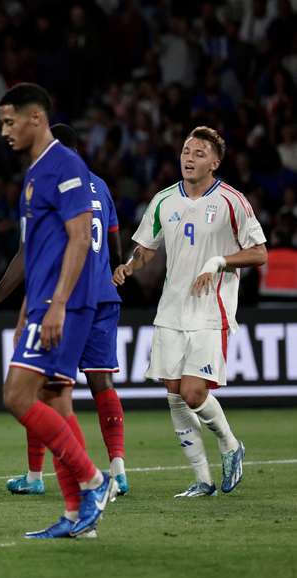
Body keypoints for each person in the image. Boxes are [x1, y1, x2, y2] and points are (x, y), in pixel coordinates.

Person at [0, 123, 129, 498]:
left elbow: (30, 254)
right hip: (100, 295)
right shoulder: (99, 185)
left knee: (41, 389)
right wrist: (108, 273)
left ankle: (48, 478)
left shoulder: (51, 183)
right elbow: (113, 245)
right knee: (98, 382)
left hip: (63, 298)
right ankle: (115, 471)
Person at [114, 126, 266, 497]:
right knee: (173, 392)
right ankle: (203, 480)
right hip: (171, 310)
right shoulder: (165, 200)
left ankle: (230, 445)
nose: (189, 157)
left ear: (215, 162)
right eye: (186, 150)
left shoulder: (232, 200)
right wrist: (129, 267)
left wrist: (218, 261)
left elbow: (259, 253)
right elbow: (146, 248)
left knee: (194, 393)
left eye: (199, 153)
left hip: (210, 312)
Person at [0, 84, 115, 539]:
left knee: (16, 396)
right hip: (44, 300)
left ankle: (93, 481)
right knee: (54, 401)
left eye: (11, 121)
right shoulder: (34, 172)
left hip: (65, 302)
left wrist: (57, 305)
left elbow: (80, 238)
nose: (5, 131)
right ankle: (75, 517)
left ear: (36, 119)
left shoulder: (65, 165)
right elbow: (40, 250)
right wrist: (27, 307)